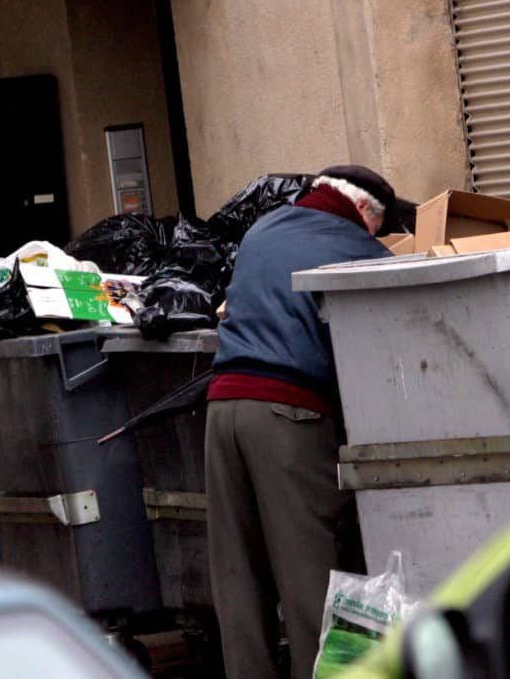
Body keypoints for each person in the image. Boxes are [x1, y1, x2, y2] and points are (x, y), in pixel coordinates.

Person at [205, 165, 396, 678]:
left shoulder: (263, 228)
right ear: (364, 213)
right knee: (311, 576)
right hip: (287, 414)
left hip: (222, 409)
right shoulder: (360, 250)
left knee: (238, 577)